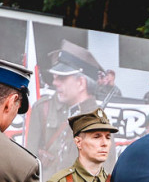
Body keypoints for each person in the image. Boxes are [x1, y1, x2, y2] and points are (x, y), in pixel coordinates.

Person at [26, 40, 102, 172]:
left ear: (81, 83)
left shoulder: (99, 126)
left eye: (62, 78)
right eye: (55, 77)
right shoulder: (44, 108)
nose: (55, 82)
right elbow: (28, 162)